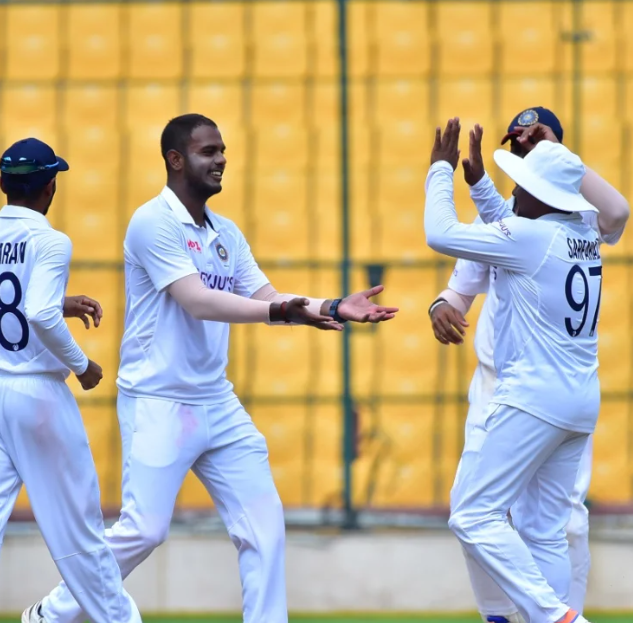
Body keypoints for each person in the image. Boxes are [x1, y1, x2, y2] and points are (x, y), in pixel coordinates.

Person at [23, 114, 398, 623]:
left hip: (216, 401)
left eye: (222, 150)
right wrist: (283, 313)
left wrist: (328, 307)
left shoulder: (225, 232)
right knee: (144, 530)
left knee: (264, 528)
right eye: (208, 152)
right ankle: (54, 613)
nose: (221, 159)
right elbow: (198, 301)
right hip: (158, 400)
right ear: (176, 160)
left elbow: (265, 295)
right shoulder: (152, 221)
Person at [428, 108, 629, 619]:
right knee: (543, 530)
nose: (514, 180)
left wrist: (440, 171)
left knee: (473, 514)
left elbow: (440, 232)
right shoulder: (578, 233)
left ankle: (557, 615)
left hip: (530, 393)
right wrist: (483, 186)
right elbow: (512, 225)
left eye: (526, 170)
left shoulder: (529, 232)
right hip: (576, 396)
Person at [0, 138, 141, 623]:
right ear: (50, 186)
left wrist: (59, 305)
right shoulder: (51, 241)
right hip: (35, 394)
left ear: (1, 184)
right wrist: (82, 365)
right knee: (78, 535)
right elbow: (34, 311)